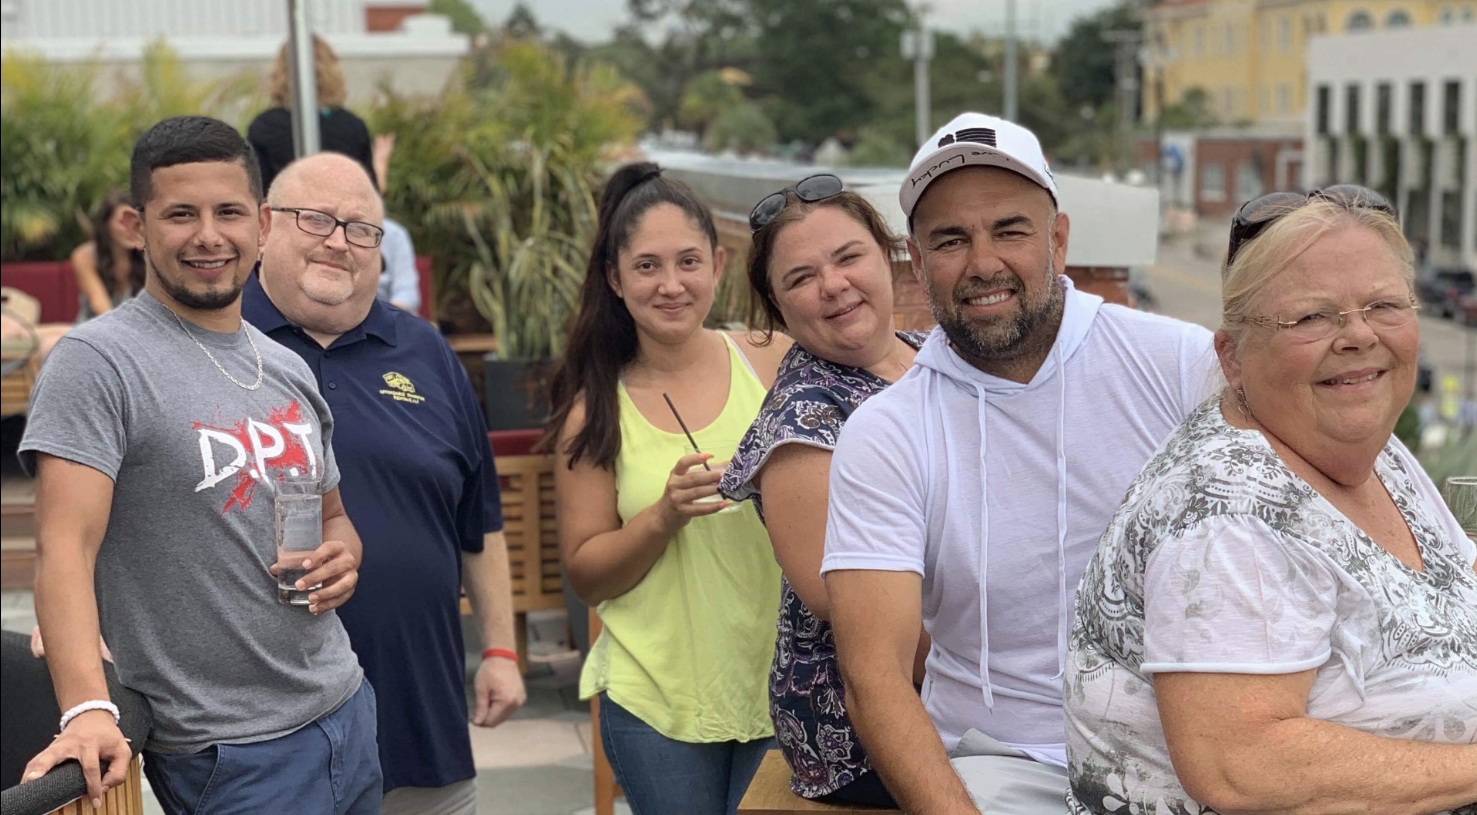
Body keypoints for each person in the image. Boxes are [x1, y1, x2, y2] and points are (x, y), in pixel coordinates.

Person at [819, 112, 1216, 814]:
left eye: (1010, 231)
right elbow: (873, 679)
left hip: (1189, 754)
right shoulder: (887, 433)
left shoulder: (1178, 365)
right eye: (951, 239)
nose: (982, 264)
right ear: (917, 261)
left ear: (1057, 239)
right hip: (1003, 765)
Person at [1065, 188, 1477, 815]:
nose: (1359, 334)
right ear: (1232, 357)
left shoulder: (1366, 448)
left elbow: (1448, 584)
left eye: (1384, 305)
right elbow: (1243, 765)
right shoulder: (1225, 512)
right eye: (1311, 317)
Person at [18, 116, 380, 813]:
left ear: (263, 225)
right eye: (181, 213)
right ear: (136, 226)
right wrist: (87, 708)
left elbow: (332, 516)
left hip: (345, 705)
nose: (209, 236)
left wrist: (343, 555)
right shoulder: (97, 362)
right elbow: (64, 547)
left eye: (229, 212)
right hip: (227, 751)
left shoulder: (287, 366)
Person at [242, 151, 526, 814]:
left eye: (361, 229)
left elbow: (479, 523)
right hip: (264, 746)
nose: (338, 242)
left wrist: (501, 649)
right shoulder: (218, 346)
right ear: (264, 227)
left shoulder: (426, 352)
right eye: (316, 220)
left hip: (424, 730)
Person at [546, 162, 790, 815]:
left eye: (688, 262)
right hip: (655, 698)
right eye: (647, 266)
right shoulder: (595, 409)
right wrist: (662, 516)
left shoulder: (773, 359)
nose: (671, 284)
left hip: (783, 683)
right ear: (615, 279)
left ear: (718, 264)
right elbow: (587, 575)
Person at [718, 176, 925, 808]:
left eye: (848, 257)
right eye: (802, 278)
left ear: (888, 256)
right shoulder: (803, 421)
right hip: (864, 727)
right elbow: (846, 607)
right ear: (778, 308)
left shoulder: (929, 355)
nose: (833, 285)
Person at [25, 191, 148, 361]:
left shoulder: (150, 257)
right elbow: (101, 306)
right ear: (106, 224)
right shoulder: (86, 255)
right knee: (40, 340)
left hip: (140, 332)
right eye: (122, 222)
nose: (129, 228)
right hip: (95, 328)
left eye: (135, 221)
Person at [248, 35, 376, 195]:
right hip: (340, 208)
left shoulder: (265, 126)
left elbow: (257, 190)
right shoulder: (353, 126)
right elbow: (368, 189)